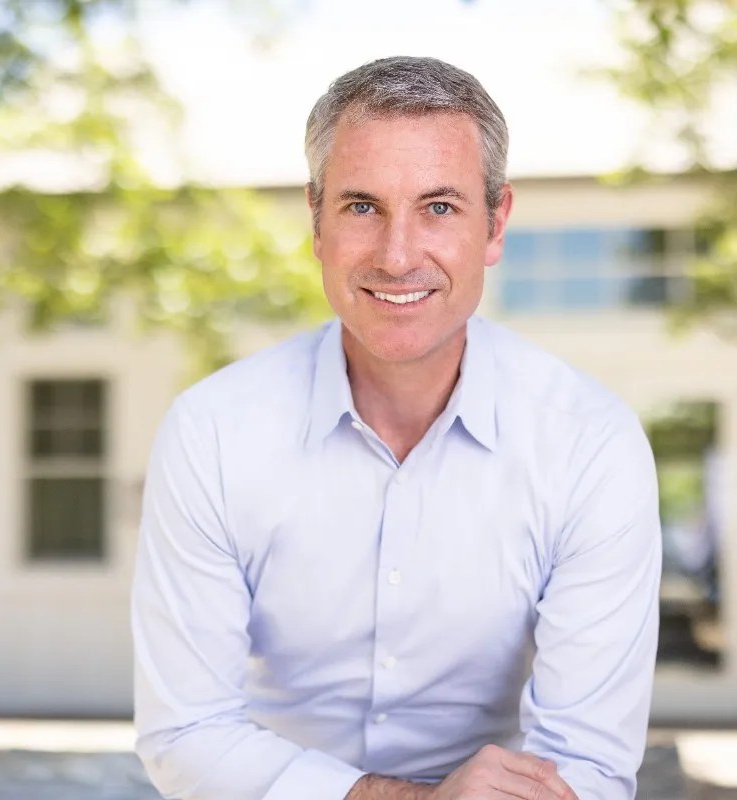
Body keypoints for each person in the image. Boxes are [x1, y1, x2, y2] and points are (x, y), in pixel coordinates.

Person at [131, 56, 662, 800]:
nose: (398, 255)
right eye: (361, 207)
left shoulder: (590, 445)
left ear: (495, 223)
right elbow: (185, 733)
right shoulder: (211, 433)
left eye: (439, 207)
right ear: (316, 220)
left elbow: (587, 767)